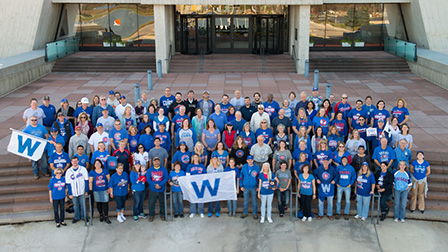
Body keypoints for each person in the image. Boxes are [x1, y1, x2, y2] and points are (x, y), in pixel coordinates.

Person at [66, 156, 89, 224]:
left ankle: (84, 217)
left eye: (76, 161)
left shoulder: (83, 169)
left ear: (78, 161)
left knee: (83, 205)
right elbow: (68, 183)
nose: (75, 162)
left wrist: (86, 190)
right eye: (73, 161)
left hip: (82, 190)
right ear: (71, 162)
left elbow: (86, 180)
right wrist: (70, 193)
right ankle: (77, 217)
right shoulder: (68, 171)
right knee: (75, 205)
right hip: (73, 192)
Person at [89, 159, 111, 224]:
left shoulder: (105, 171)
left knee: (105, 203)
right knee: (99, 203)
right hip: (96, 190)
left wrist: (109, 188)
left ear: (101, 164)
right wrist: (90, 189)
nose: (97, 165)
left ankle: (106, 216)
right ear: (94, 165)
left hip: (105, 189)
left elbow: (109, 180)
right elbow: (90, 181)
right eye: (96, 163)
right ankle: (101, 214)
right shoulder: (92, 172)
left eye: (99, 163)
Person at [146, 156, 168, 222]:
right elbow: (148, 179)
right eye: (155, 161)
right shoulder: (150, 170)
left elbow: (165, 178)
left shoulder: (163, 169)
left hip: (161, 189)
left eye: (158, 161)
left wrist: (160, 185)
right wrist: (155, 185)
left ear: (160, 162)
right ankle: (151, 215)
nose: (156, 162)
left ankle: (162, 214)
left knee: (162, 202)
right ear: (153, 162)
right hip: (153, 189)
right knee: (151, 203)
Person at [187, 154, 207, 218]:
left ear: (198, 158)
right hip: (193, 184)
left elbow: (204, 175)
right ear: (192, 159)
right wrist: (189, 184)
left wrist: (203, 183)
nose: (195, 158)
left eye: (196, 157)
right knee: (192, 198)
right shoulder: (190, 166)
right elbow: (187, 176)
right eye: (194, 157)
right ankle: (193, 212)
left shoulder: (202, 166)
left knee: (200, 198)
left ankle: (201, 211)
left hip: (200, 184)